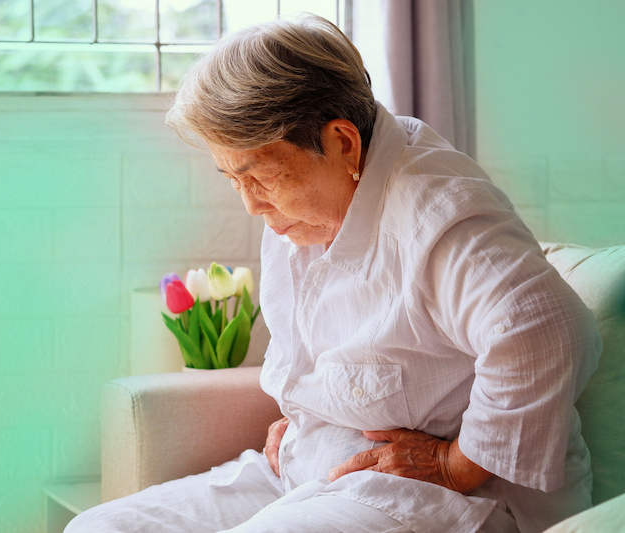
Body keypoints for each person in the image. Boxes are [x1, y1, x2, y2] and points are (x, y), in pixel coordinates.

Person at [66, 14, 601, 533]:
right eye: (233, 179)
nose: (251, 205)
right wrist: (305, 414)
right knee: (100, 526)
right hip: (312, 468)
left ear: (341, 142)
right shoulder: (306, 211)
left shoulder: (436, 210)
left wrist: (454, 464)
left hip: (440, 499)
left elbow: (546, 331)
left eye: (261, 177)